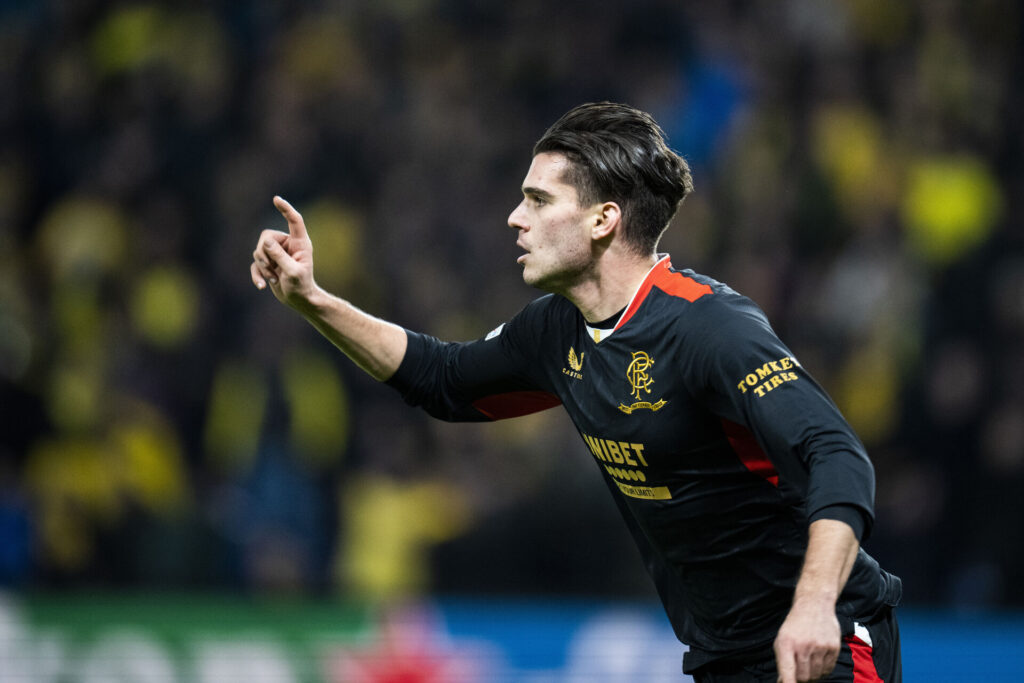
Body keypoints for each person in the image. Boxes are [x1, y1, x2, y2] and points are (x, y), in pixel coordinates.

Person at [250, 102, 902, 683]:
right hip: (721, 657)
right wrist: (312, 301)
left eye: (537, 200)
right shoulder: (557, 329)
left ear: (602, 219)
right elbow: (443, 380)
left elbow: (838, 455)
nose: (514, 218)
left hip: (827, 642)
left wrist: (814, 605)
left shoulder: (708, 328)